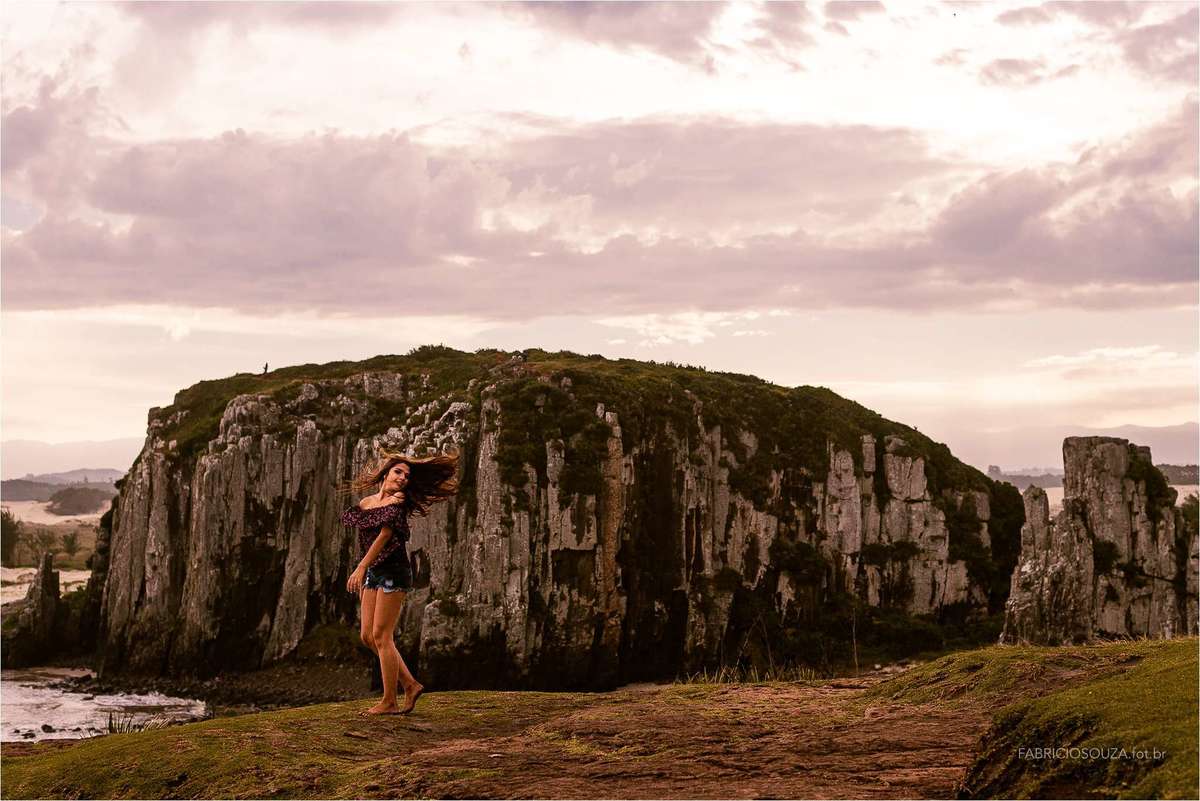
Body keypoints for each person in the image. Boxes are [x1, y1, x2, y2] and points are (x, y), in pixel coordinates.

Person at [337, 448, 459, 715]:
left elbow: (383, 535)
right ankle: (411, 684)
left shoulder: (399, 499)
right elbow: (363, 533)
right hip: (375, 570)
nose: (403, 478)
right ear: (385, 473)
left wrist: (360, 568)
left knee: (382, 635)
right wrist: (366, 569)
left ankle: (389, 701)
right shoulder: (367, 503)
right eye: (398, 472)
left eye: (407, 475)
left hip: (394, 571)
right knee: (367, 635)